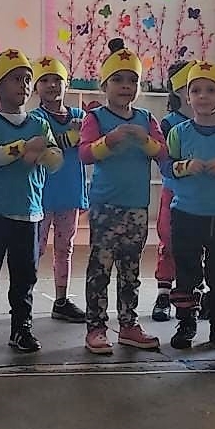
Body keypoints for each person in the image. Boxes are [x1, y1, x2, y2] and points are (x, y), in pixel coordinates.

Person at [0, 49, 63, 355]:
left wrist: (43, 153)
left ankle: (22, 328)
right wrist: (23, 148)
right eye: (15, 79)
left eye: (26, 79)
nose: (23, 84)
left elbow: (56, 160)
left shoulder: (39, 123)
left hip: (28, 213)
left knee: (25, 278)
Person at [79, 40, 169, 353]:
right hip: (105, 205)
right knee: (100, 269)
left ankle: (129, 324)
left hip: (137, 206)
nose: (126, 86)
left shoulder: (146, 118)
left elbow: (163, 154)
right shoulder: (96, 118)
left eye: (132, 80)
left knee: (131, 270)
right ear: (104, 84)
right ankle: (96, 327)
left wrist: (145, 141)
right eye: (118, 79)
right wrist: (110, 140)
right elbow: (85, 154)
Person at [163, 60, 215, 353]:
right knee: (186, 272)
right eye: (196, 90)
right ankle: (186, 323)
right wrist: (185, 166)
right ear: (187, 97)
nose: (203, 96)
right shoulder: (179, 132)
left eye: (211, 90)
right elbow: (166, 166)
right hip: (185, 213)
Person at [30, 56, 89, 323]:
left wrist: (80, 136)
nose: (52, 85)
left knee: (65, 248)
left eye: (57, 80)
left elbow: (89, 145)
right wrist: (72, 137)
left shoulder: (79, 116)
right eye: (44, 80)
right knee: (36, 249)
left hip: (70, 193)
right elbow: (47, 146)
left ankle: (61, 300)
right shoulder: (35, 118)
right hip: (42, 196)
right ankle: (24, 299)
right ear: (36, 87)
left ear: (67, 84)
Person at [153, 60, 192, 322]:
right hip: (174, 193)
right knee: (168, 242)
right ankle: (164, 293)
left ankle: (193, 293)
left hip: (203, 197)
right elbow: (163, 160)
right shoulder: (169, 124)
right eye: (192, 86)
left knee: (198, 246)